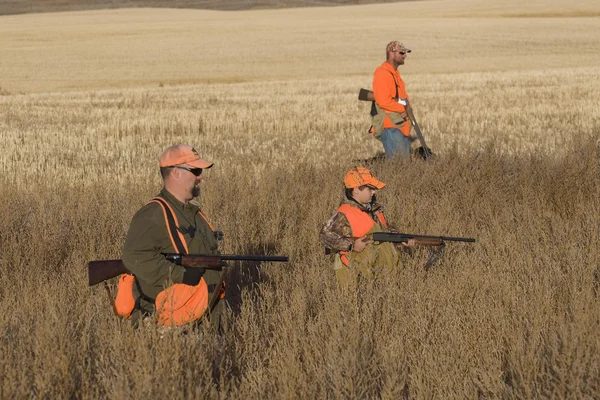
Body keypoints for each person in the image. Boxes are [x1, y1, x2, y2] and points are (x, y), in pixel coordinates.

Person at [119, 144, 225, 328]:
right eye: (196, 170)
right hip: (170, 325)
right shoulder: (153, 214)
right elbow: (134, 256)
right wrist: (181, 274)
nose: (201, 176)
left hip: (202, 317)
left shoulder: (194, 214)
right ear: (176, 173)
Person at [320, 167, 415, 286]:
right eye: (370, 189)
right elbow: (325, 235)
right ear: (356, 190)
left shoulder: (374, 209)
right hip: (356, 275)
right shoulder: (344, 213)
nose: (374, 192)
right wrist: (352, 245)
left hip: (378, 272)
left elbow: (384, 232)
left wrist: (401, 240)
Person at [371, 41, 413, 159]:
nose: (405, 55)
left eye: (405, 53)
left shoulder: (395, 74)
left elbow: (402, 99)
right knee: (399, 166)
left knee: (403, 164)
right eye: (402, 52)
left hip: (398, 126)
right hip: (390, 127)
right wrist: (404, 108)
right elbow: (383, 101)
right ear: (391, 53)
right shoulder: (383, 74)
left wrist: (407, 108)